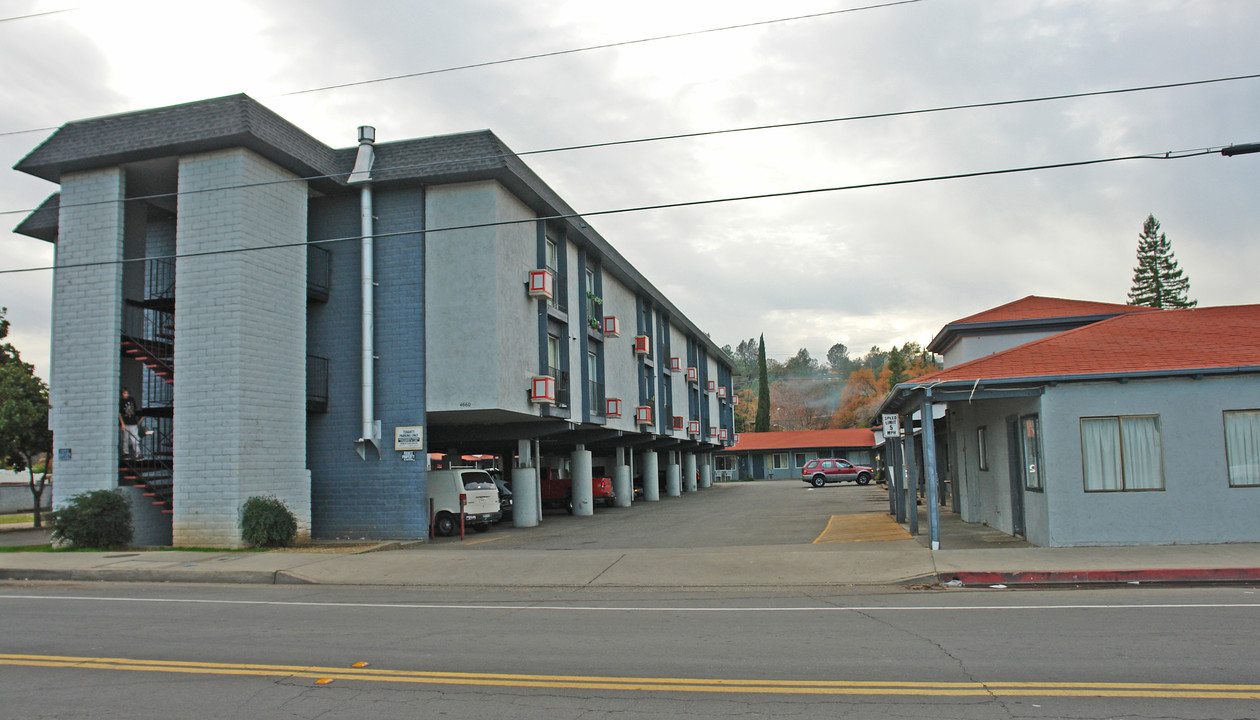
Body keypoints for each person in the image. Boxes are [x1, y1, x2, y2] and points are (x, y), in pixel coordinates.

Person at [119, 388, 141, 460]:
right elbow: (119, 413)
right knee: (125, 439)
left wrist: (138, 422)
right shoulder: (121, 401)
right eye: (124, 393)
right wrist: (122, 423)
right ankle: (125, 453)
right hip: (125, 423)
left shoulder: (131, 399)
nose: (126, 395)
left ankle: (137, 454)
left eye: (127, 393)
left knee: (135, 438)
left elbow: (135, 410)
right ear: (122, 394)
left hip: (133, 422)